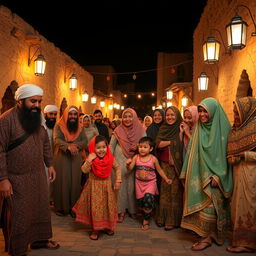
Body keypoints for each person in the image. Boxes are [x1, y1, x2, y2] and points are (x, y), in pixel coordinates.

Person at [0, 84, 59, 256]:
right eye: (33, 101)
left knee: (40, 209)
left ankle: (40, 241)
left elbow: (44, 142)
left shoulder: (37, 117)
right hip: (15, 179)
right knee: (19, 215)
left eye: (39, 101)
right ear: (20, 101)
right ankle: (18, 249)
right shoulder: (6, 120)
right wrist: (3, 179)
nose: (37, 105)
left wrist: (50, 164)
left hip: (38, 175)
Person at [180, 97, 233, 251]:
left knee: (213, 209)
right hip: (199, 175)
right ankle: (205, 237)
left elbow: (227, 155)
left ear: (214, 112)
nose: (202, 115)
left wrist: (219, 176)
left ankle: (210, 237)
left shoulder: (225, 130)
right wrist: (187, 173)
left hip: (216, 178)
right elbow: (192, 152)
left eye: (206, 111)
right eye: (201, 111)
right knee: (204, 209)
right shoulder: (199, 129)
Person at [72, 135, 121, 240]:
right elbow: (84, 170)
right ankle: (95, 229)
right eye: (98, 147)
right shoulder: (91, 158)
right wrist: (89, 160)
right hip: (94, 188)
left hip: (107, 188)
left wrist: (118, 180)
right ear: (93, 148)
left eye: (104, 147)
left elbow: (117, 168)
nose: (101, 150)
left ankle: (107, 226)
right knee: (96, 209)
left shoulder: (110, 158)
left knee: (107, 208)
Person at [226, 97, 256, 253]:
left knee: (249, 207)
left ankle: (248, 243)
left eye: (238, 113)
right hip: (237, 174)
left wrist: (245, 155)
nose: (236, 117)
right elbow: (231, 150)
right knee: (237, 207)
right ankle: (239, 240)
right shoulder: (235, 129)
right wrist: (232, 158)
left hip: (252, 176)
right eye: (234, 113)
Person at [126, 136, 172, 231]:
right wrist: (128, 164)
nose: (142, 149)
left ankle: (146, 220)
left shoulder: (153, 159)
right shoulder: (136, 157)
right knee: (141, 202)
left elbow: (159, 170)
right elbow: (130, 169)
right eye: (140, 147)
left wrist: (166, 179)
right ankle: (149, 210)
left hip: (150, 183)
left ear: (150, 149)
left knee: (148, 198)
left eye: (145, 147)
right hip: (139, 184)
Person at [110, 108, 145, 223]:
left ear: (134, 117)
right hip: (119, 161)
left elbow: (146, 144)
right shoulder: (118, 130)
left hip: (134, 160)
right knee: (120, 187)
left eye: (130, 116)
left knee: (132, 186)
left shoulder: (141, 129)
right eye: (125, 116)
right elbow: (111, 147)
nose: (127, 119)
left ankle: (133, 210)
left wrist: (138, 147)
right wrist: (109, 162)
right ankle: (120, 211)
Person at [53, 105, 87, 217]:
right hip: (62, 157)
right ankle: (62, 208)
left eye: (75, 114)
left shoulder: (80, 127)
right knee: (62, 182)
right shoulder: (59, 125)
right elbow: (57, 139)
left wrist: (76, 146)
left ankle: (74, 208)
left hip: (76, 157)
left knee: (75, 182)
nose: (72, 116)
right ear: (66, 114)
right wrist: (68, 146)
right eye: (70, 114)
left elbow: (85, 140)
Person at [155, 106, 184, 231]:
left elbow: (183, 143)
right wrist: (173, 141)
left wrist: (180, 135)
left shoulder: (181, 127)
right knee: (165, 191)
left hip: (177, 164)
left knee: (175, 192)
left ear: (177, 115)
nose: (170, 117)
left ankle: (173, 221)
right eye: (168, 115)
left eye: (172, 115)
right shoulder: (163, 128)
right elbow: (158, 144)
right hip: (164, 164)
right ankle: (163, 218)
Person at [43, 104, 58, 204]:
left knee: (54, 179)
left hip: (56, 157)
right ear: (45, 114)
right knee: (46, 180)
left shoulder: (58, 127)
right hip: (43, 159)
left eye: (55, 114)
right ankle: (45, 200)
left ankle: (52, 199)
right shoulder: (41, 127)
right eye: (50, 114)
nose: (53, 116)